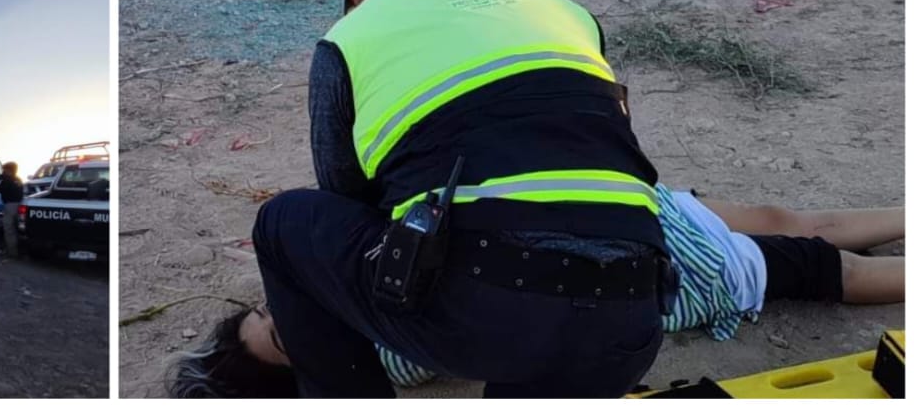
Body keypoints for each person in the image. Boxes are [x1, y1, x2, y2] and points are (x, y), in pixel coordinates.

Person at [176, 0, 669, 398]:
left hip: (485, 313)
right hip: (631, 318)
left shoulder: (349, 39)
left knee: (284, 224)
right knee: (532, 317)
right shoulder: (563, 8)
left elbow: (347, 198)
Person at [374, 189, 907, 386]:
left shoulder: (336, 263)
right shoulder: (386, 349)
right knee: (830, 268)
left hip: (637, 214)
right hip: (671, 270)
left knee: (782, 217)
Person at [0, 161, 25, 259]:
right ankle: (20, 251)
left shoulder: (7, 180)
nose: (3, 172)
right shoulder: (19, 180)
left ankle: (12, 253)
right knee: (18, 228)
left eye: (4, 170)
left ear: (9, 170)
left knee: (9, 230)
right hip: (19, 205)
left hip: (9, 206)